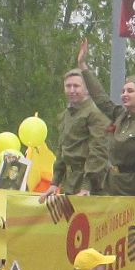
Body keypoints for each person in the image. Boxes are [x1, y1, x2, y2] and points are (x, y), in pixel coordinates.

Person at [78, 40, 135, 197]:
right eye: (123, 91)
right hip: (112, 185)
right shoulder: (120, 116)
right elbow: (100, 97)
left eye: (130, 91)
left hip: (134, 188)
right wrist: (83, 66)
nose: (124, 94)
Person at [45, 67, 111, 197]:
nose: (72, 90)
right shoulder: (67, 114)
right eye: (68, 86)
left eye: (76, 86)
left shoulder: (95, 113)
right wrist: (55, 183)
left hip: (92, 186)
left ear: (87, 89)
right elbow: (62, 149)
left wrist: (86, 186)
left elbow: (98, 152)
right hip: (70, 183)